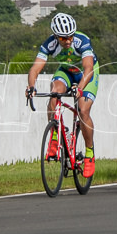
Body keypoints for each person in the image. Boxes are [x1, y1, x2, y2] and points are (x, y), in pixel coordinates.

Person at [26, 12, 99, 179]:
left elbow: (88, 68)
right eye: (62, 38)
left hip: (86, 74)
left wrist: (80, 89)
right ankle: (54, 136)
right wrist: (31, 87)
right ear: (55, 36)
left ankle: (89, 153)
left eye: (70, 37)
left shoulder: (82, 41)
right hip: (66, 71)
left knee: (83, 110)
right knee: (54, 95)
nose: (67, 41)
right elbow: (35, 69)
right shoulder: (49, 44)